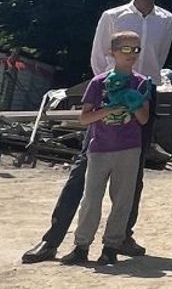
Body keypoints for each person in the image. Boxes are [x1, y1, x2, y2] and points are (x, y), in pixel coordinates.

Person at [22, 0, 172, 264]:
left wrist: (139, 91)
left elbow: (159, 58)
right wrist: (111, 92)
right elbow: (98, 58)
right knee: (84, 168)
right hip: (110, 93)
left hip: (143, 94)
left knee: (133, 170)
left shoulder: (167, 20)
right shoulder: (112, 16)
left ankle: (122, 236)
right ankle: (52, 240)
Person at [61, 31, 153, 265]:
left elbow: (144, 119)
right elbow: (84, 118)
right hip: (99, 148)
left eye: (136, 49)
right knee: (91, 199)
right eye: (126, 49)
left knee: (122, 200)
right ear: (113, 52)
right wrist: (109, 109)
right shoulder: (98, 82)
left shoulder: (141, 82)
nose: (131, 54)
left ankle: (111, 246)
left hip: (129, 148)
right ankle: (81, 246)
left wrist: (134, 103)